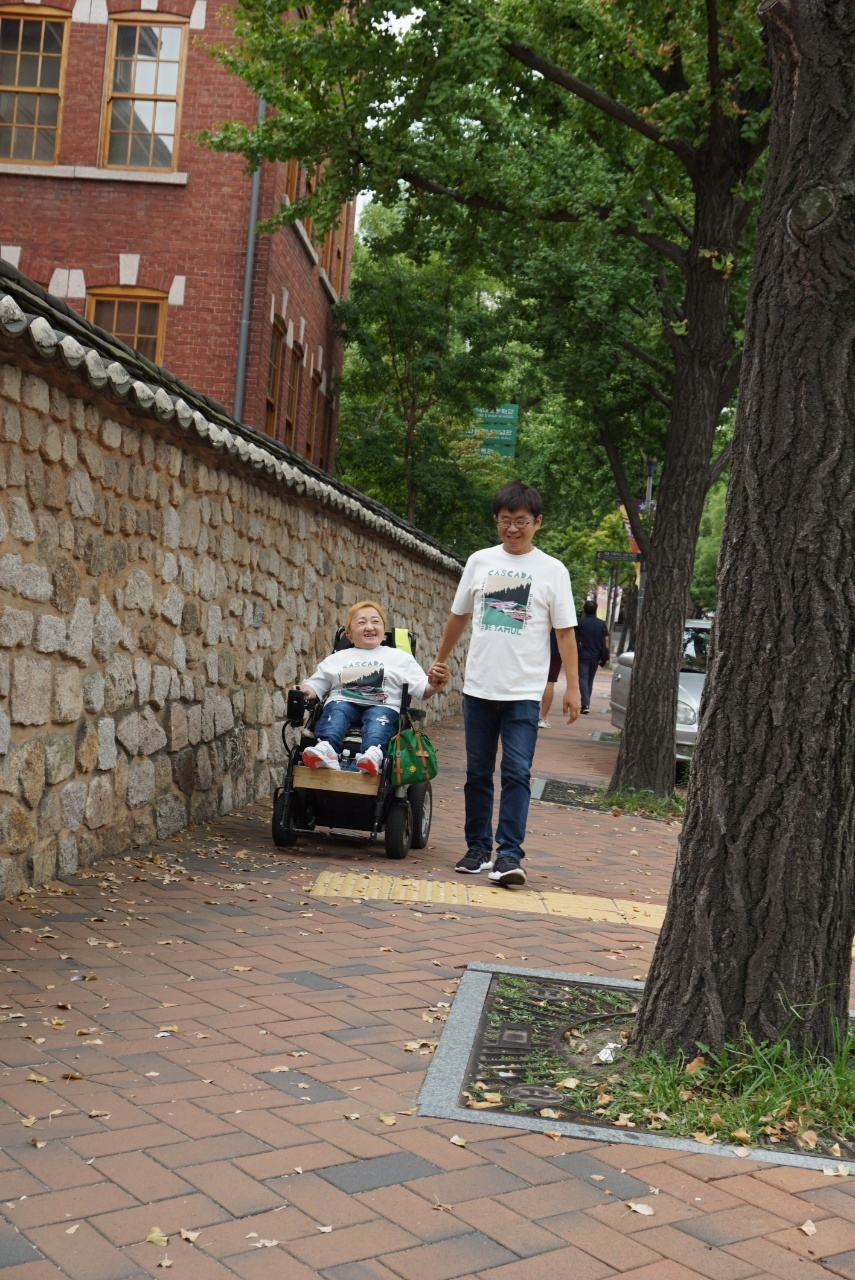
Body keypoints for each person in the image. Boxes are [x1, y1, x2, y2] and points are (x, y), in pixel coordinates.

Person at [429, 481, 580, 888]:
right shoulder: (480, 561)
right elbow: (458, 616)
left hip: (524, 693)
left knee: (516, 772)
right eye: (505, 521)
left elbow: (565, 633)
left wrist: (573, 688)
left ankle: (509, 854)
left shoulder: (552, 570)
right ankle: (478, 847)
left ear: (537, 523)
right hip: (479, 687)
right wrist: (440, 661)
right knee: (477, 772)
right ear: (496, 521)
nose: (512, 529)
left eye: (521, 522)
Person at [298, 601, 448, 775]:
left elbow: (422, 688)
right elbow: (318, 682)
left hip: (383, 705)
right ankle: (326, 748)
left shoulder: (400, 658)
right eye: (361, 623)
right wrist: (306, 690)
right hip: (343, 701)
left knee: (379, 722)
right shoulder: (338, 657)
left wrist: (434, 684)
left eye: (375, 622)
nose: (369, 627)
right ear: (349, 635)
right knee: (336, 713)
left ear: (384, 630)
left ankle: (374, 754)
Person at [576, 598, 610, 713]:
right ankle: (586, 703)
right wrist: (606, 656)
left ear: (584, 610)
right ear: (596, 610)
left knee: (583, 679)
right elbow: (606, 640)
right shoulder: (601, 624)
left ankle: (585, 704)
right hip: (596, 656)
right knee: (590, 679)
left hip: (583, 655)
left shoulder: (579, 623)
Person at [538, 628, 562, 727]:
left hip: (537, 649)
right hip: (555, 651)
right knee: (550, 682)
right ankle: (542, 718)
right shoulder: (558, 617)